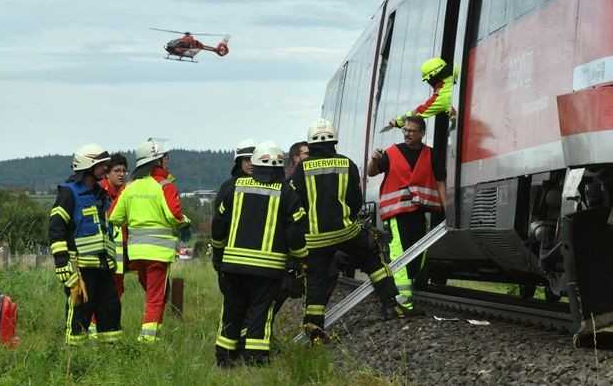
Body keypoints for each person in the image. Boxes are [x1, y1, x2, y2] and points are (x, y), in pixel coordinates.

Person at [291, 118, 405, 343]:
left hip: (315, 238)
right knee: (373, 260)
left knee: (316, 281)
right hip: (347, 231)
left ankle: (315, 333)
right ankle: (390, 306)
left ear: (311, 143)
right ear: (334, 140)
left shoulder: (302, 169)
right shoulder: (346, 163)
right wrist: (347, 218)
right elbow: (356, 200)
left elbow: (296, 203)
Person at [211, 141, 308, 367]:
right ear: (281, 165)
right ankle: (255, 359)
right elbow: (296, 231)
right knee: (260, 313)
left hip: (233, 266)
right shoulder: (287, 191)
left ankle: (224, 358)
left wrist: (218, 253)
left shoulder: (235, 187)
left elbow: (219, 223)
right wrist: (302, 259)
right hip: (268, 269)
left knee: (232, 310)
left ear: (255, 163)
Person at [109, 138, 190, 342]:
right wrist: (185, 222)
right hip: (158, 252)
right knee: (155, 298)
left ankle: (151, 336)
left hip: (136, 253)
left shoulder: (130, 187)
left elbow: (114, 217)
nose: (167, 161)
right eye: (165, 157)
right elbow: (174, 215)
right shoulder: (165, 185)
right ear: (157, 161)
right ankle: (147, 341)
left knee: (154, 295)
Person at [368, 116, 446, 312]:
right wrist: (374, 160)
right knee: (399, 256)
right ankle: (402, 303)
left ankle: (402, 297)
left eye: (412, 131)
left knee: (418, 256)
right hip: (396, 213)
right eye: (405, 130)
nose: (407, 134)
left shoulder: (431, 154)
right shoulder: (392, 152)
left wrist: (447, 210)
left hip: (421, 213)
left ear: (422, 133)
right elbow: (371, 173)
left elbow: (440, 182)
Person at [48, 143, 121, 345]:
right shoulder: (69, 193)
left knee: (111, 311)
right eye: (101, 165)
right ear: (88, 167)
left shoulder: (100, 193)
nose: (105, 169)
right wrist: (62, 262)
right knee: (80, 314)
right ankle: (75, 360)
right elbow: (56, 228)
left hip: (104, 267)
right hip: (80, 269)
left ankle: (110, 359)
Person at [380, 57, 456, 131]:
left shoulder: (442, 94)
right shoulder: (457, 74)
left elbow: (421, 111)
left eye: (428, 80)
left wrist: (397, 122)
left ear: (433, 76)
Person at [98, 153, 130, 297]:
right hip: (102, 250)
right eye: (117, 171)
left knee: (117, 289)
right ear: (107, 173)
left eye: (124, 171)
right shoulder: (99, 193)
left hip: (122, 250)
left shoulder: (128, 193)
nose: (122, 174)